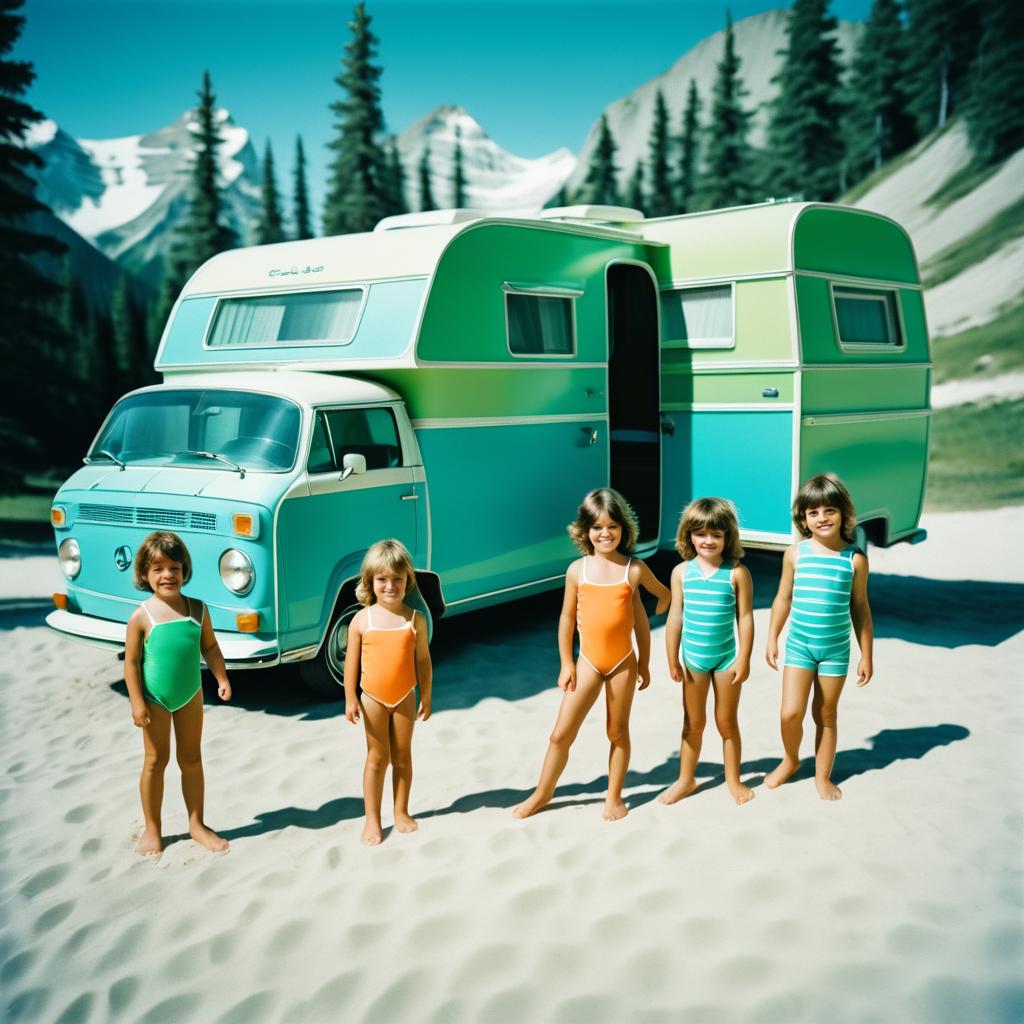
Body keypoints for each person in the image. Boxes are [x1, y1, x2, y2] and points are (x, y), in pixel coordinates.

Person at [514, 488, 671, 822]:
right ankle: (543, 793)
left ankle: (613, 797)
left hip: (622, 664)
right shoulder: (577, 571)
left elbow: (662, 596)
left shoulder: (634, 569)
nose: (605, 533)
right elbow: (566, 619)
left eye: (613, 526)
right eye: (598, 527)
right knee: (560, 734)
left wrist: (645, 655)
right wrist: (566, 663)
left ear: (624, 529)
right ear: (585, 531)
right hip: (586, 661)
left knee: (617, 732)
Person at [764, 473, 874, 800]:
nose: (822, 518)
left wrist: (867, 654)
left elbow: (861, 609)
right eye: (813, 513)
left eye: (829, 510)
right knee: (790, 713)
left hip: (835, 652)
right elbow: (782, 598)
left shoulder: (855, 560)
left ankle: (822, 776)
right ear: (804, 519)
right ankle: (790, 759)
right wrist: (772, 637)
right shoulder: (795, 554)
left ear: (843, 514)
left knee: (825, 715)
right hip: (799, 647)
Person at [123, 531, 232, 856]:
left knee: (192, 759)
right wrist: (137, 701)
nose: (167, 575)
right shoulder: (142, 616)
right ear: (145, 573)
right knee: (156, 761)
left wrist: (221, 677)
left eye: (174, 567)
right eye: (157, 569)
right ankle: (153, 829)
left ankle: (196, 824)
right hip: (155, 700)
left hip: (191, 696)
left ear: (185, 570)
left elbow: (210, 647)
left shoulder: (198, 609)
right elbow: (131, 663)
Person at [660, 498, 755, 806]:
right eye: (700, 534)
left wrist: (744, 658)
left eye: (716, 534)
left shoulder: (737, 574)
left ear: (728, 536)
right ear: (689, 535)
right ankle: (686, 779)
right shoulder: (681, 573)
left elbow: (745, 618)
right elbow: (675, 616)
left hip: (727, 659)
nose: (708, 540)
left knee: (726, 722)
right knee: (693, 723)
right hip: (693, 661)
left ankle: (733, 780)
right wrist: (672, 657)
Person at [345, 539, 432, 845]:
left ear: (408, 580)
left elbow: (423, 661)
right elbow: (351, 665)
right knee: (376, 758)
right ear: (370, 581)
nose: (390, 586)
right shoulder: (361, 620)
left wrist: (428, 696)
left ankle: (401, 811)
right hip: (372, 700)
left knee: (403, 757)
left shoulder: (414, 620)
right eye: (382, 579)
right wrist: (350, 698)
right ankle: (372, 819)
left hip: (406, 696)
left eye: (397, 579)